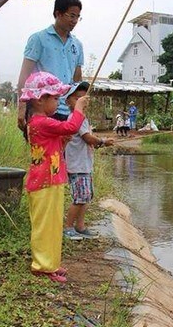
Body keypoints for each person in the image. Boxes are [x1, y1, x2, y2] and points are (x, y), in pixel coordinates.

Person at [20, 71, 89, 284]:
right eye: (56, 98)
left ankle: (50, 263)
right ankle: (42, 266)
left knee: (51, 225)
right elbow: (71, 126)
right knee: (44, 226)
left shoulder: (41, 123)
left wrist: (64, 141)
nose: (58, 103)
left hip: (51, 181)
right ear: (41, 100)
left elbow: (57, 145)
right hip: (44, 183)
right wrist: (78, 109)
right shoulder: (40, 122)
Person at [17, 0, 84, 131]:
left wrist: (78, 107)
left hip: (66, 110)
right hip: (41, 109)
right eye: (71, 15)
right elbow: (25, 76)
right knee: (42, 151)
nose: (75, 20)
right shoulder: (38, 39)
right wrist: (22, 107)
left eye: (78, 17)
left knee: (60, 152)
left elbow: (77, 79)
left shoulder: (77, 45)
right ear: (58, 13)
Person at [63, 81, 112, 240]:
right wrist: (102, 141)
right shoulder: (77, 119)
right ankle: (68, 227)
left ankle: (80, 226)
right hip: (78, 167)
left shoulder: (82, 119)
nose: (81, 100)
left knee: (86, 197)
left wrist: (100, 143)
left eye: (84, 98)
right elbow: (87, 138)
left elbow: (87, 141)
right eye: (77, 98)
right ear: (68, 102)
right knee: (79, 198)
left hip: (84, 165)